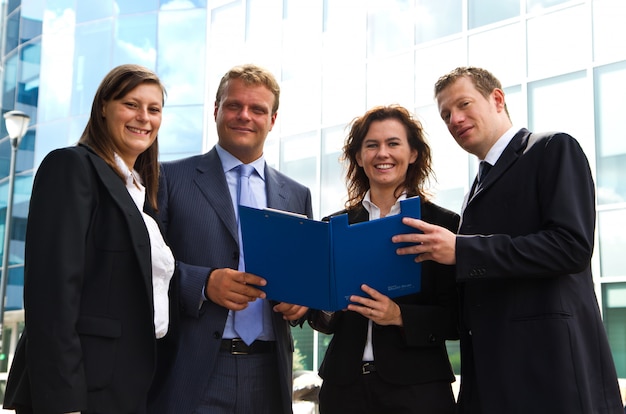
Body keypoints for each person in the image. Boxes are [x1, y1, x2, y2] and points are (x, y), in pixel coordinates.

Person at [392, 66, 624, 413]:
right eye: (445, 115)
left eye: (464, 104)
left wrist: (462, 250)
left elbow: (571, 246)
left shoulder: (552, 148)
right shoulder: (475, 188)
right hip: (492, 379)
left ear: (496, 99)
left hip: (549, 374)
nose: (455, 119)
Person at [3, 64, 175, 413]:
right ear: (103, 107)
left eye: (153, 109)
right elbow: (52, 296)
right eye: (131, 104)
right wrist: (64, 403)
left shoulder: (142, 194)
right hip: (82, 392)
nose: (144, 117)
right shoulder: (71, 167)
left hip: (128, 389)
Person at [149, 63, 313, 414]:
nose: (244, 116)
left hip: (270, 374)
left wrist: (303, 301)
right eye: (234, 105)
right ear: (216, 110)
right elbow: (144, 268)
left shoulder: (297, 195)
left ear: (272, 120)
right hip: (192, 373)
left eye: (258, 109)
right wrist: (204, 283)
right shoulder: (168, 179)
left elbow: (305, 277)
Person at [308, 105, 460, 414]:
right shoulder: (333, 225)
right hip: (343, 391)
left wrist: (398, 315)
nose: (382, 153)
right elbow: (321, 321)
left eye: (393, 143)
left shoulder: (443, 225)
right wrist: (325, 300)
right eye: (372, 145)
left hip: (418, 391)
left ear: (413, 153)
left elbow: (458, 317)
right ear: (359, 156)